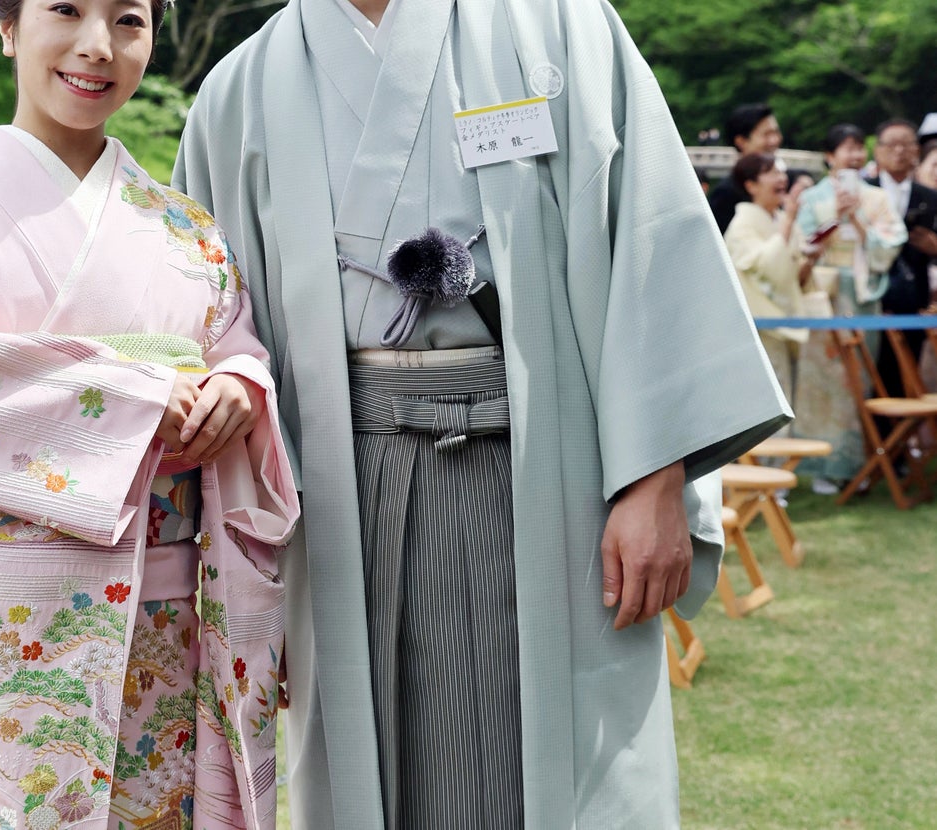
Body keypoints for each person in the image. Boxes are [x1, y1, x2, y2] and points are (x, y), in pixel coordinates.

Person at [173, 0, 791, 827]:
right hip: (340, 494)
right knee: (373, 762)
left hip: (556, 475)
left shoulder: (563, 27)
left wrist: (655, 480)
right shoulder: (242, 88)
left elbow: (651, 237)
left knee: (562, 768)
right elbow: (215, 327)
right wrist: (248, 580)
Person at [0, 1, 299, 828]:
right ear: (8, 26)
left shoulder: (185, 228)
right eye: (67, 10)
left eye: (128, 20)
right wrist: (134, 396)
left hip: (162, 624)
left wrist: (239, 385)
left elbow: (237, 343)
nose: (97, 45)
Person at [792, 123, 906, 493]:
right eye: (847, 148)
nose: (855, 155)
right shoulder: (813, 198)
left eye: (860, 147)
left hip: (861, 297)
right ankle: (824, 466)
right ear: (830, 156)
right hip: (824, 296)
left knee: (859, 379)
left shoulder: (876, 198)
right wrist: (834, 220)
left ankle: (859, 463)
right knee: (824, 381)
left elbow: (890, 245)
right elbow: (801, 246)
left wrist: (855, 217)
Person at [723, 153, 822, 403]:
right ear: (751, 185)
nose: (781, 178)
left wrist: (811, 260)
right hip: (761, 327)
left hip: (788, 320)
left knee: (794, 395)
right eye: (771, 173)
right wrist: (787, 222)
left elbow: (794, 279)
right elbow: (768, 268)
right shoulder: (742, 225)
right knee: (769, 397)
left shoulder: (783, 221)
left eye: (781, 172)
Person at [867, 118, 937, 400]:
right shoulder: (864, 191)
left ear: (916, 151)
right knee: (872, 370)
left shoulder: (929, 197)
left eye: (906, 144)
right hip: (872, 296)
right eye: (891, 145)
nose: (899, 151)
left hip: (915, 299)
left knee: (907, 374)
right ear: (877, 151)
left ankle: (903, 426)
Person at [708, 102, 787, 233]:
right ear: (741, 142)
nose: (774, 140)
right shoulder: (726, 194)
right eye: (766, 134)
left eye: (776, 132)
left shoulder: (785, 181)